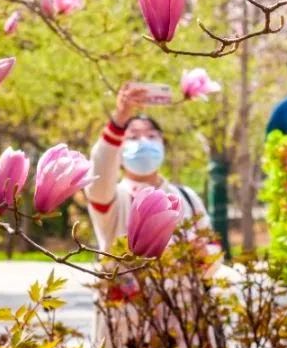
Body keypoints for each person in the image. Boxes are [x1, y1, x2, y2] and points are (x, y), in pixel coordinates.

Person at [84, 83, 211, 252]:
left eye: (151, 135)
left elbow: (213, 249)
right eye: (133, 136)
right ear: (118, 151)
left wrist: (202, 254)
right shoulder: (112, 198)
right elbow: (100, 170)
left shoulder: (187, 198)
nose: (144, 141)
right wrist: (120, 119)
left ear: (163, 145)